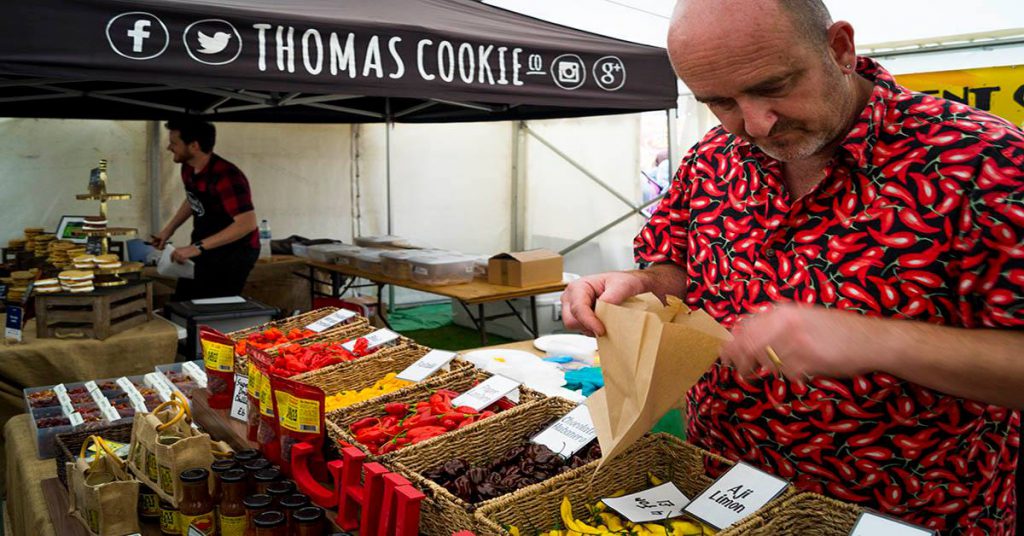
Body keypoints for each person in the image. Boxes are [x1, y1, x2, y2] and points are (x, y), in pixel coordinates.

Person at [562, 0, 1023, 533]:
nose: (755, 123)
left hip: (902, 513)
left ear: (840, 49)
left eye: (774, 86)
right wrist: (638, 284)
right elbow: (679, 268)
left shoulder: (985, 162)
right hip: (725, 492)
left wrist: (880, 341)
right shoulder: (713, 157)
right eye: (719, 102)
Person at [152, 118, 260, 301]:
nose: (169, 148)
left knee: (212, 305)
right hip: (205, 245)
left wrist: (196, 248)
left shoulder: (226, 175)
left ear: (194, 146)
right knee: (184, 300)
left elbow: (247, 224)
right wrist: (168, 230)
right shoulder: (188, 167)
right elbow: (193, 199)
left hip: (234, 252)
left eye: (174, 143)